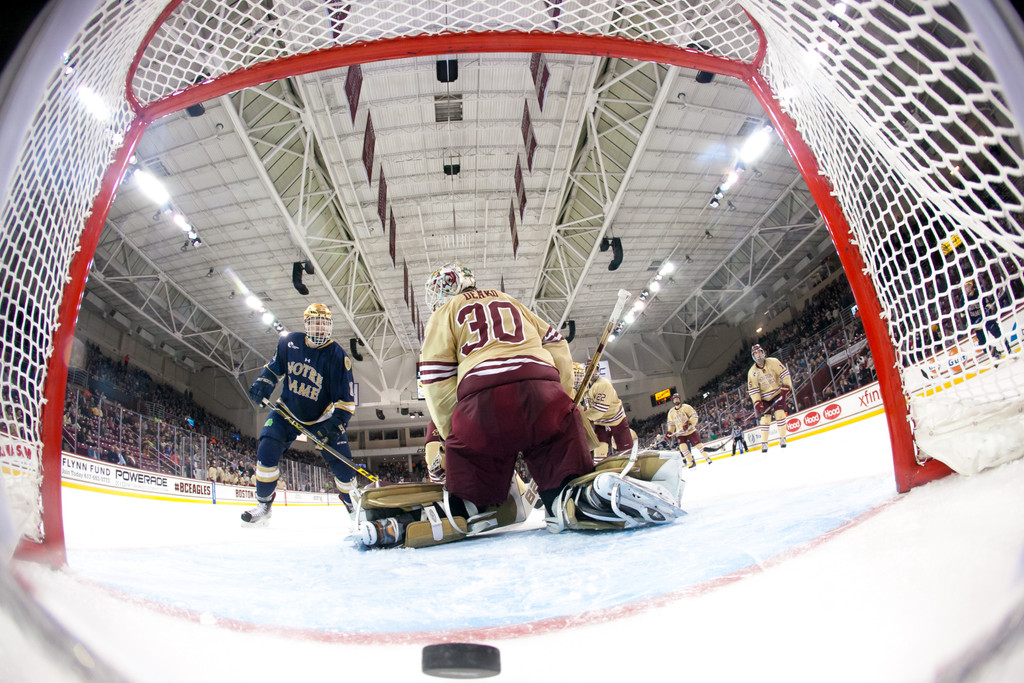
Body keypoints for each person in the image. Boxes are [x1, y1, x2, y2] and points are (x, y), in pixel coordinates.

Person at [357, 262, 682, 548]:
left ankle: (466, 509)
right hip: (545, 394)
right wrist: (564, 401)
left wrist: (448, 436)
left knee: (473, 485)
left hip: (485, 408)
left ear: (446, 291)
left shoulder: (445, 314)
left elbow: (436, 379)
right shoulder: (509, 300)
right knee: (561, 472)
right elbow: (556, 343)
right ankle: (575, 498)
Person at [242, 303, 357, 527]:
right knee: (266, 450)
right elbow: (274, 368)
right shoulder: (289, 342)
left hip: (321, 418)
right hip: (287, 411)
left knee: (343, 467)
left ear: (330, 327)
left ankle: (355, 508)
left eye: (324, 324)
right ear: (306, 324)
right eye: (316, 323)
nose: (320, 328)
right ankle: (263, 505)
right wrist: (262, 384)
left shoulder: (337, 356)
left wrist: (333, 426)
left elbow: (345, 402)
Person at [573, 362, 635, 462]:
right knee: (599, 455)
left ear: (598, 370)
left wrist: (581, 417)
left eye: (594, 369)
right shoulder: (586, 386)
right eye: (589, 369)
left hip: (616, 421)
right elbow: (575, 400)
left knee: (627, 452)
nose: (592, 371)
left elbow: (599, 411)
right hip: (600, 423)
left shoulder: (603, 384)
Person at [747, 343, 793, 454]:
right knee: (765, 419)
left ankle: (782, 438)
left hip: (777, 393)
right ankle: (764, 443)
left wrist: (786, 386)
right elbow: (754, 390)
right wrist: (757, 402)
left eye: (759, 352)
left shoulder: (774, 362)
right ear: (753, 356)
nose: (758, 355)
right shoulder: (751, 372)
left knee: (780, 414)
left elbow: (785, 375)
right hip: (764, 398)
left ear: (763, 352)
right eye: (755, 353)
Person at [665, 393, 711, 468]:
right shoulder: (671, 412)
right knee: (683, 448)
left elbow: (694, 416)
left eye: (677, 398)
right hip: (680, 434)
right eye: (675, 399)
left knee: (699, 446)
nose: (676, 400)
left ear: (679, 399)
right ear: (673, 401)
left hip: (690, 431)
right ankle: (691, 462)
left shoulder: (686, 407)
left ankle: (707, 458)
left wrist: (689, 423)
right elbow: (671, 424)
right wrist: (669, 432)